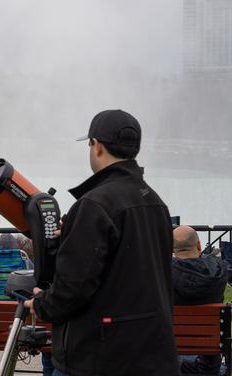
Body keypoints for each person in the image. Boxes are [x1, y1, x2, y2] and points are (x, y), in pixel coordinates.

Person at [24, 109, 179, 375]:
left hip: (98, 359)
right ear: (137, 148)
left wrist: (40, 303)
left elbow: (73, 290)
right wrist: (75, 236)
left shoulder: (94, 205)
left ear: (96, 146)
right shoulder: (155, 201)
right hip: (152, 355)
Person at [173, 225, 228, 376]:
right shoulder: (219, 273)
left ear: (172, 250)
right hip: (209, 358)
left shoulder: (163, 276)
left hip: (171, 352)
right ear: (198, 244)